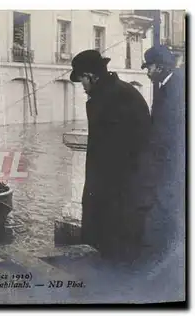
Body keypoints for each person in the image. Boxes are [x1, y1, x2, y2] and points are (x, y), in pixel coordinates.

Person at [69, 50, 152, 264]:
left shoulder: (113, 98)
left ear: (91, 76)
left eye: (82, 80)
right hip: (117, 188)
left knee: (111, 248)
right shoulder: (118, 92)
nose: (83, 86)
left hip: (118, 191)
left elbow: (116, 152)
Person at [140, 45, 186, 263]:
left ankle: (163, 258)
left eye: (148, 67)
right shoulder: (174, 83)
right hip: (171, 164)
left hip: (170, 165)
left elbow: (167, 131)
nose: (147, 72)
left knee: (166, 211)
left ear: (158, 67)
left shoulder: (174, 88)